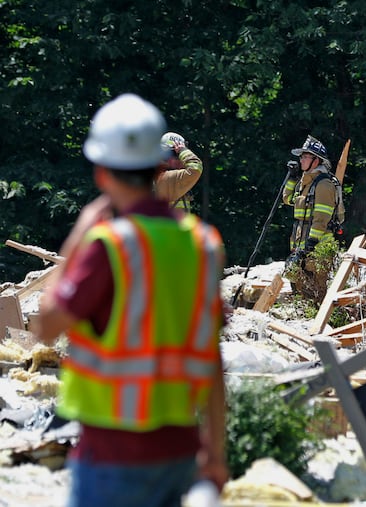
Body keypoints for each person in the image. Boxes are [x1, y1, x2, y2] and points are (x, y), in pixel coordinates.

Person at [32, 94, 228, 507]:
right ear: (159, 166)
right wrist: (216, 450)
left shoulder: (110, 245)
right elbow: (211, 355)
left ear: (102, 173)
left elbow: (44, 328)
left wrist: (79, 233)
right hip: (180, 451)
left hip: (111, 454)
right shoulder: (203, 244)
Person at [282, 134, 338, 259]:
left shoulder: (324, 185)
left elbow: (321, 218)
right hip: (301, 249)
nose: (301, 160)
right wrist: (292, 178)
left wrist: (311, 244)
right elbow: (288, 199)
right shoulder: (306, 183)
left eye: (305, 157)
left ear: (316, 160)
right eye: (301, 157)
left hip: (318, 251)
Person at [154, 131, 203, 211]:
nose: (182, 160)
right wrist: (183, 150)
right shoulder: (168, 179)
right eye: (177, 155)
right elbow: (195, 167)